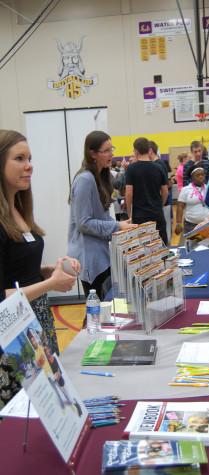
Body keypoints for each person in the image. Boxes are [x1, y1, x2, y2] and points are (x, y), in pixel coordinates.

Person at [0, 129, 79, 406]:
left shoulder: (18, 210)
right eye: (19, 158)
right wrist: (50, 284)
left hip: (38, 323)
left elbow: (16, 270)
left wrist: (45, 271)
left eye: (30, 157)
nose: (29, 165)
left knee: (53, 403)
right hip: (12, 337)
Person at [68, 131, 137, 306]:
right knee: (99, 313)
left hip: (102, 257)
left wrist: (120, 228)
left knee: (110, 309)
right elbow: (83, 223)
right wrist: (117, 226)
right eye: (106, 150)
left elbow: (102, 217)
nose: (111, 154)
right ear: (92, 154)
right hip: (91, 260)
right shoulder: (85, 180)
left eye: (111, 149)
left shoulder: (100, 177)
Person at [125, 137, 168, 244]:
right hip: (157, 213)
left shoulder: (131, 168)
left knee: (142, 249)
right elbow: (165, 191)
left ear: (135, 151)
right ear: (149, 150)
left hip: (139, 215)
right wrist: (160, 205)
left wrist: (129, 213)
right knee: (161, 245)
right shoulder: (159, 167)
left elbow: (129, 193)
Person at [175, 164, 209, 236]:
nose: (201, 177)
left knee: (208, 246)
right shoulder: (186, 190)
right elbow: (180, 207)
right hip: (192, 225)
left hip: (208, 224)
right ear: (192, 177)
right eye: (197, 175)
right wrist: (178, 223)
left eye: (202, 174)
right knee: (194, 246)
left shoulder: (208, 188)